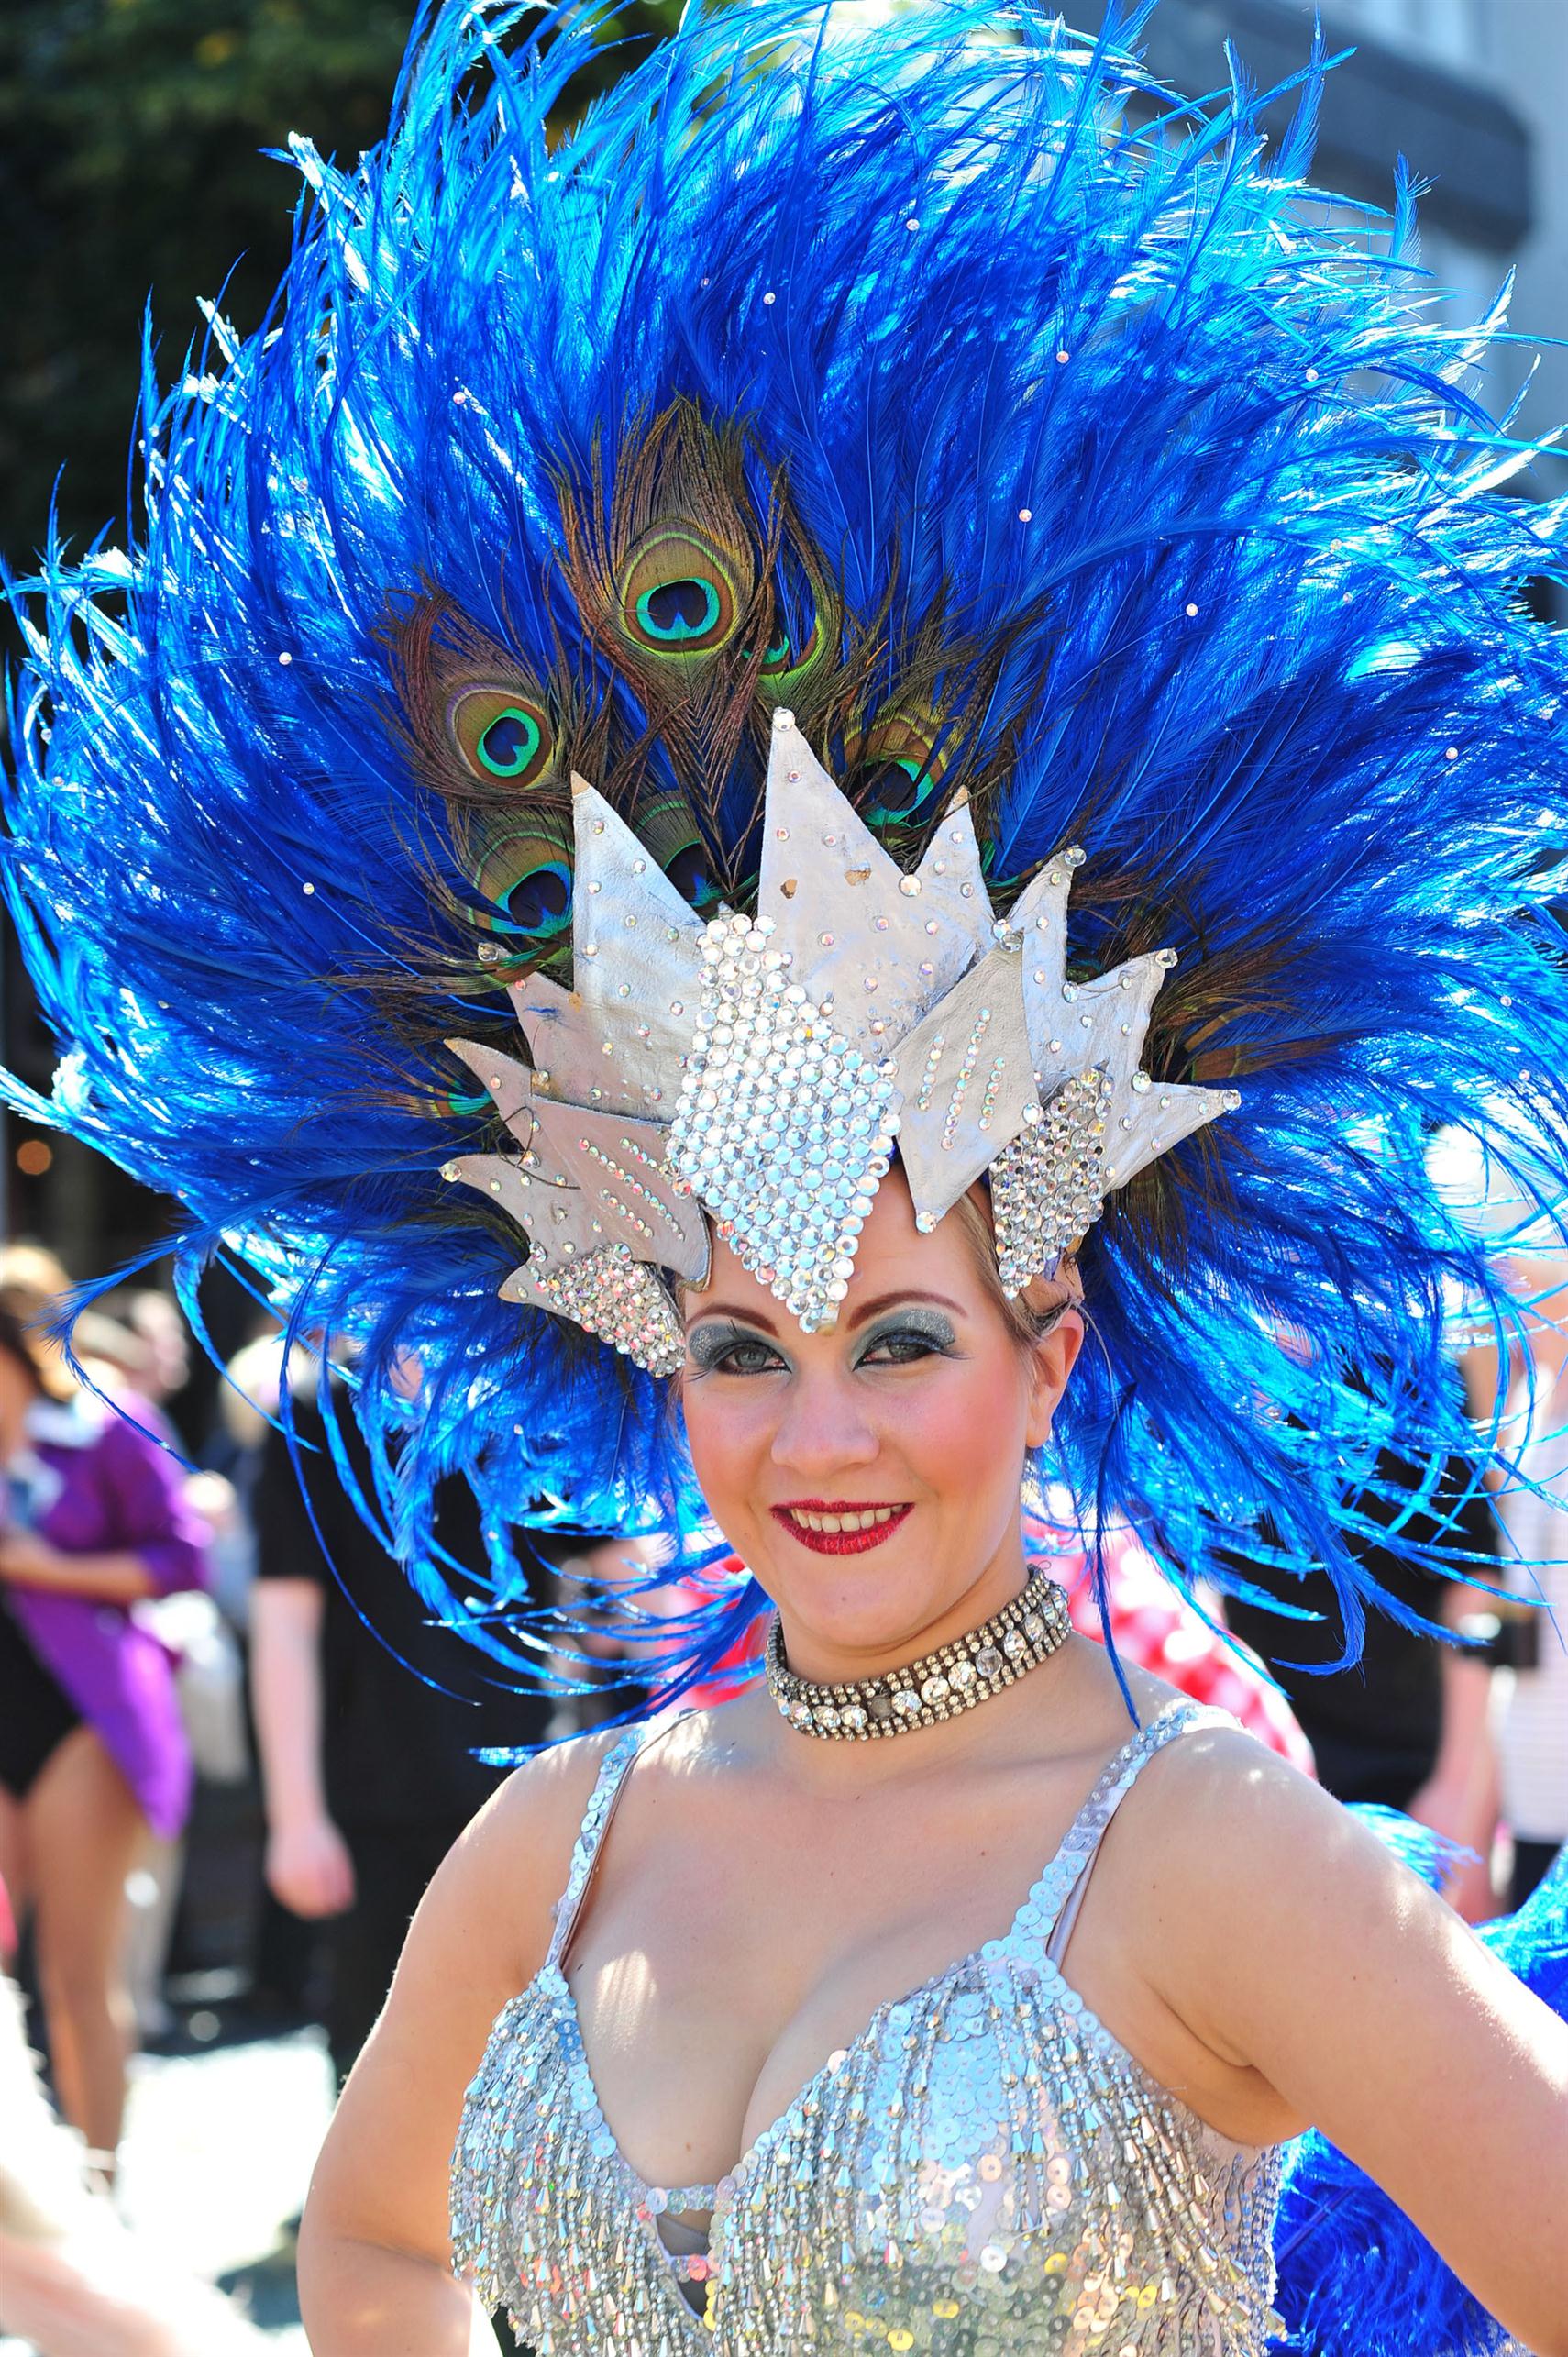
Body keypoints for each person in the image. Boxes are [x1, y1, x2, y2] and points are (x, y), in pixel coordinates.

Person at [6, 7, 1568, 2355]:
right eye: (742, 1345)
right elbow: (377, 2238)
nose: (812, 1434)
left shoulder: (1217, 1855)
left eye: (899, 1338)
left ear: (1044, 1349)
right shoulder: (564, 1846)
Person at [249, 1344, 548, 2084]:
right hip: (370, 1796)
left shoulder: (532, 1401)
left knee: (515, 2065)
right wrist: (294, 1817)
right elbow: (283, 1621)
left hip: (522, 1794)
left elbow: (613, 1579)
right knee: (373, 2055)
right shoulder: (314, 1415)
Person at [0, 1310, 210, 2170]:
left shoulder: (105, 1422)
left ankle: (97, 2191)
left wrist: (39, 1565)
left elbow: (181, 1559)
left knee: (75, 1976)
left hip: (82, 1719)